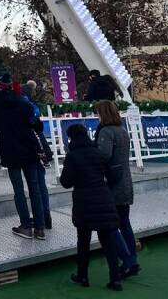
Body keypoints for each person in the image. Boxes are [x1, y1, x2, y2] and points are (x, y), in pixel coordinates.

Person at [61, 123, 122, 290]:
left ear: (71, 138)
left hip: (84, 201)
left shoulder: (73, 156)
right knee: (108, 241)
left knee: (83, 241)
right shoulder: (99, 153)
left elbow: (65, 182)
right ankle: (115, 278)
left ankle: (83, 276)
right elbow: (112, 175)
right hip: (104, 198)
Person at [0, 74, 45, 239]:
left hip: (9, 149)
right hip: (28, 148)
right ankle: (40, 228)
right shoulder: (24, 103)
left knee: (18, 190)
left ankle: (26, 226)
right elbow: (37, 126)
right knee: (34, 188)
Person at [95, 101, 139, 280]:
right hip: (125, 180)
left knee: (110, 224)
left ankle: (127, 260)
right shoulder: (122, 130)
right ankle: (132, 259)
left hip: (112, 184)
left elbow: (103, 155)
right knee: (124, 223)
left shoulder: (106, 132)